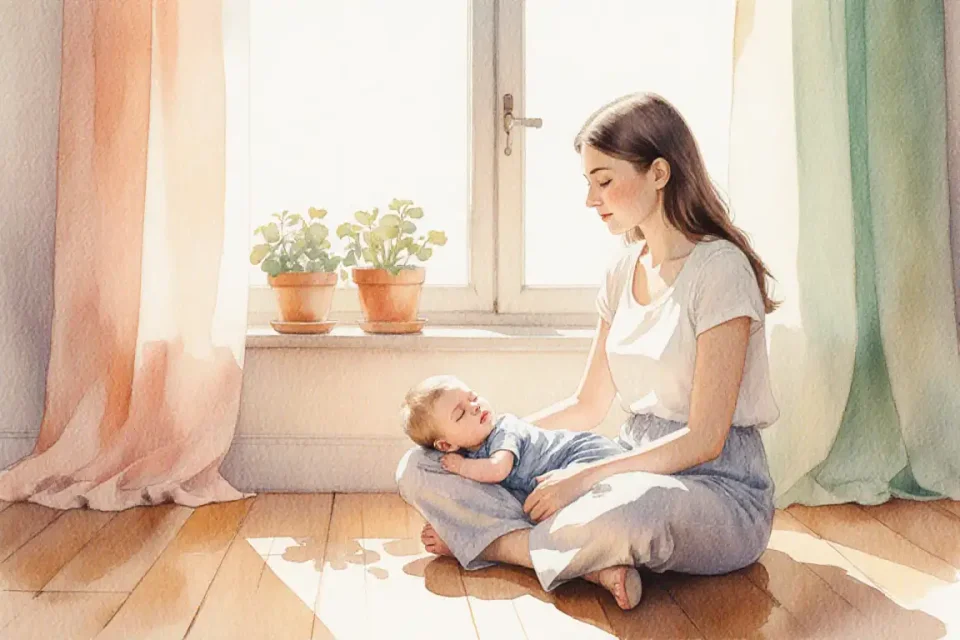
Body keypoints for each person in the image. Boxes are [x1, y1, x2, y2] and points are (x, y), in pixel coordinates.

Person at [395, 92, 781, 612]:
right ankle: (588, 558)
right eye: (588, 183)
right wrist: (495, 444)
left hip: (717, 489)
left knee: (637, 507)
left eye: (603, 181)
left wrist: (580, 480)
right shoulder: (622, 270)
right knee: (419, 467)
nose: (590, 200)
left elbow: (706, 439)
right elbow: (588, 405)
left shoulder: (721, 271)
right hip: (623, 463)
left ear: (659, 173)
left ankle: (495, 544)